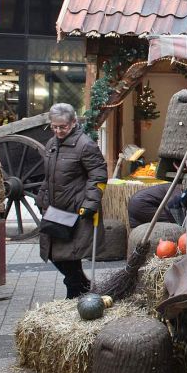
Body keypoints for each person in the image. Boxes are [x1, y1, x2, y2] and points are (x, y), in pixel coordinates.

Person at [36, 103, 107, 298]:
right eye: (54, 127)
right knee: (53, 252)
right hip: (55, 209)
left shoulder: (85, 145)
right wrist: (41, 198)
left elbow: (98, 175)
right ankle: (81, 286)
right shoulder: (52, 144)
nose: (58, 131)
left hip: (76, 209)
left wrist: (90, 203)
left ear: (74, 122)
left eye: (63, 127)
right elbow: (49, 176)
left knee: (68, 254)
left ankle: (75, 290)